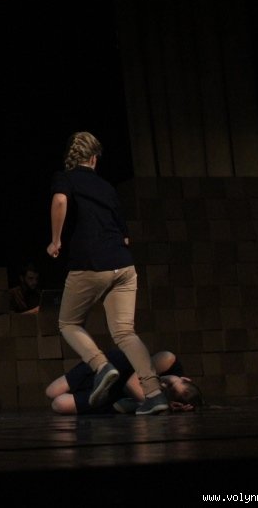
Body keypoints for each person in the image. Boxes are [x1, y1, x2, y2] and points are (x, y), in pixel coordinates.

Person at [46, 131, 167, 415]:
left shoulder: (65, 177)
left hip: (91, 263)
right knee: (125, 332)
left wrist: (55, 240)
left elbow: (60, 201)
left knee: (68, 323)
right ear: (94, 159)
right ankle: (154, 394)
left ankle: (101, 366)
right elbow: (125, 236)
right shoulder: (106, 187)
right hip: (123, 265)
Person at [45, 349, 204, 415]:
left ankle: (96, 394)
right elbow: (132, 382)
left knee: (59, 404)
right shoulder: (169, 361)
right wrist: (159, 403)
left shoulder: (168, 401)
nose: (164, 385)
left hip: (116, 391)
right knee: (51, 392)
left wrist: (167, 406)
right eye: (171, 383)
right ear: (184, 378)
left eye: (168, 391)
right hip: (115, 365)